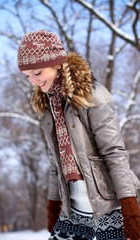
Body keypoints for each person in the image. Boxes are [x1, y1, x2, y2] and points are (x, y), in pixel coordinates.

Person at [17, 29, 140, 240]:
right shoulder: (48, 106)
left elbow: (114, 153)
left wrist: (129, 206)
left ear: (57, 63)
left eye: (37, 73)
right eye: (28, 76)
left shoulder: (92, 96)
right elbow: (55, 162)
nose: (33, 82)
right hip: (75, 209)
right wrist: (53, 204)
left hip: (111, 204)